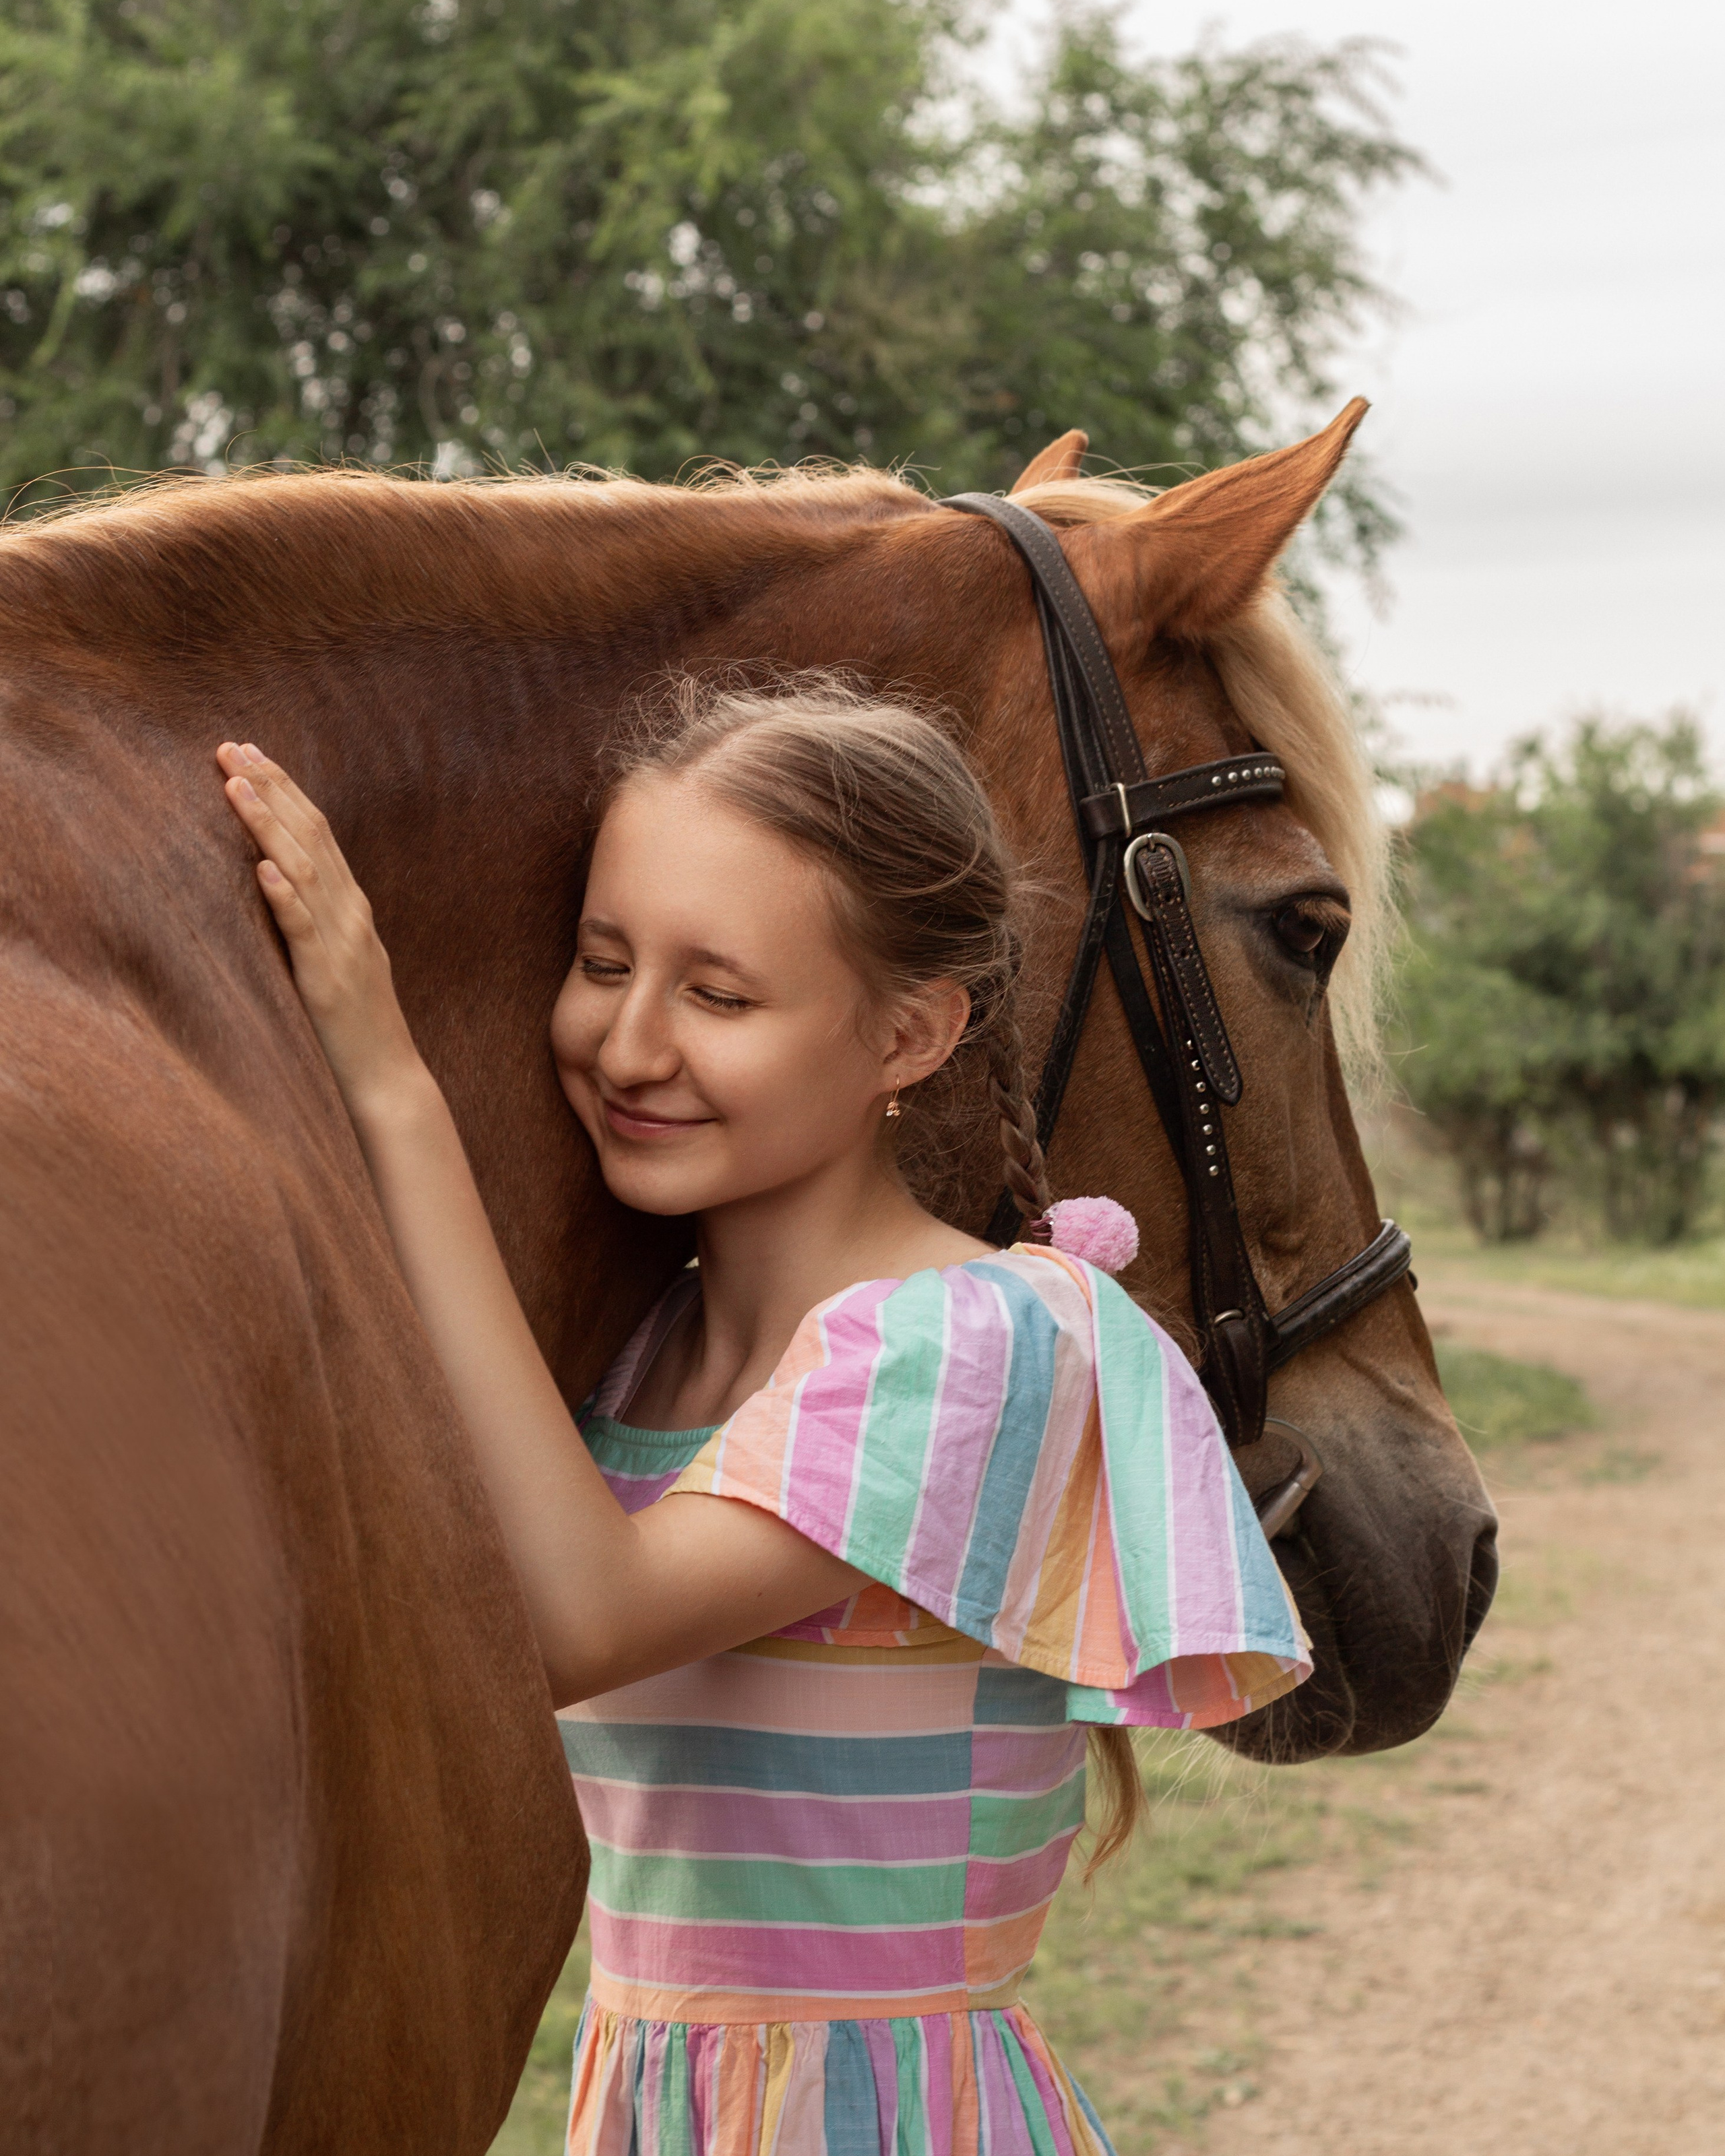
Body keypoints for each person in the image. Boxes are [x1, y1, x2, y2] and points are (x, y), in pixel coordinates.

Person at [216, 678, 1309, 2156]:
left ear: (910, 1033)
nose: (628, 1044)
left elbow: (579, 1624)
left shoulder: (978, 1340)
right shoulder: (647, 1361)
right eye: (604, 963)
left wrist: (391, 1081)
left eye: (717, 994)